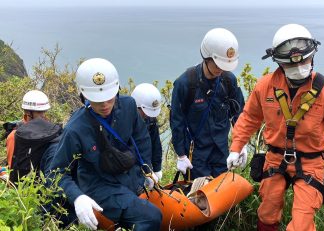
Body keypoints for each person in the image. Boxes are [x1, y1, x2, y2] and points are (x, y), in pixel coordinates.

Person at [227, 24, 324, 231]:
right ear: (280, 64)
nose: (299, 67)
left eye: (305, 61)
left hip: (311, 162)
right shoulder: (265, 87)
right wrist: (237, 146)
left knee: (301, 224)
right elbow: (249, 118)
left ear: (312, 57)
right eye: (291, 65)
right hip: (275, 157)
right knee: (267, 211)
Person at [49, 58, 162, 230]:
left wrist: (147, 168)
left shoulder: (129, 106)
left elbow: (141, 138)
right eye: (97, 100)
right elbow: (56, 172)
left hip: (130, 177)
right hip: (100, 186)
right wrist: (78, 197)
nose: (105, 105)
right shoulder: (76, 128)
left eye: (109, 98)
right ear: (84, 96)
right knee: (151, 217)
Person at [170, 28, 245, 180]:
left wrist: (240, 145)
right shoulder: (185, 83)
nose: (221, 70)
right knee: (199, 197)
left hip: (221, 151)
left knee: (222, 194)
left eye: (225, 66)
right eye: (218, 65)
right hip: (196, 154)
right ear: (206, 58)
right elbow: (177, 121)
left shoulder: (228, 80)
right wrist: (181, 155)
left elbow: (239, 114)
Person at [131, 83, 163, 182]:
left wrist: (157, 168)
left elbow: (155, 144)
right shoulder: (126, 122)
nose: (147, 115)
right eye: (144, 111)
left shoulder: (150, 120)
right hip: (130, 168)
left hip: (146, 166)